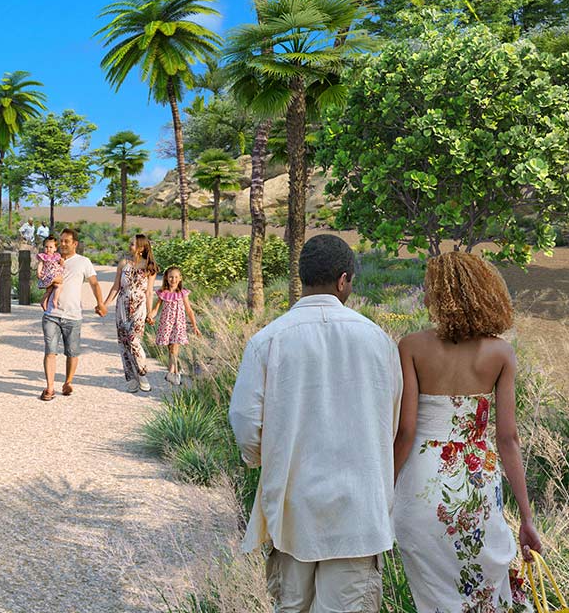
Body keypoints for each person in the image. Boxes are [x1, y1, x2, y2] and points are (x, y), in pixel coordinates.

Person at [228, 234, 402, 613]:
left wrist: (264, 457)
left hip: (292, 509)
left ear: (303, 277)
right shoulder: (378, 341)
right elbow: (391, 421)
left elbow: (243, 420)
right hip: (358, 513)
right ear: (343, 280)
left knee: (291, 607)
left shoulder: (268, 339)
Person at [392, 252, 539, 611]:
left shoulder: (411, 346)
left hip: (422, 485)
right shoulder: (500, 353)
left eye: (429, 288)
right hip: (477, 483)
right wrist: (526, 517)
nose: (425, 295)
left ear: (443, 295)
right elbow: (508, 439)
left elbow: (407, 430)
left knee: (435, 596)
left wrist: (383, 488)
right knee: (482, 591)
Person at [40, 228, 105, 401]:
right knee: (50, 351)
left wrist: (100, 303)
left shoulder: (84, 262)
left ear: (75, 243)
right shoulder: (51, 259)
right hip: (51, 314)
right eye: (60, 241)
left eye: (66, 241)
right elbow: (41, 280)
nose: (62, 244)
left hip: (73, 315)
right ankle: (50, 388)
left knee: (72, 352)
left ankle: (68, 382)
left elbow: (94, 284)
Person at [101, 234, 157, 392]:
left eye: (132, 244)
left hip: (139, 307)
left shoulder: (149, 267)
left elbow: (149, 292)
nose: (129, 246)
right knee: (123, 342)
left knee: (134, 340)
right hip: (122, 306)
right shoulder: (123, 263)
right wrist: (105, 304)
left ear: (141, 248)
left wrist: (150, 313)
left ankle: (142, 372)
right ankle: (131, 378)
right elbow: (116, 287)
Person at [148, 265, 201, 384]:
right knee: (170, 347)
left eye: (176, 277)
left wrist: (194, 326)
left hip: (179, 323)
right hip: (166, 323)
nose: (174, 279)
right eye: (171, 277)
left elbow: (189, 310)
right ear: (166, 278)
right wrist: (150, 316)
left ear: (180, 278)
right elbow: (156, 309)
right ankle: (172, 371)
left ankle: (174, 372)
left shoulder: (183, 293)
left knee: (175, 346)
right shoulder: (163, 293)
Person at [35, 236, 63, 313]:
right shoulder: (43, 256)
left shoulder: (56, 256)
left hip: (54, 274)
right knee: (56, 287)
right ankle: (52, 300)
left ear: (55, 248)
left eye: (51, 247)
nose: (48, 249)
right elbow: (40, 265)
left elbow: (60, 264)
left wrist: (61, 262)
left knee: (53, 289)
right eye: (46, 247)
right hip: (48, 275)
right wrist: (38, 272)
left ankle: (47, 301)